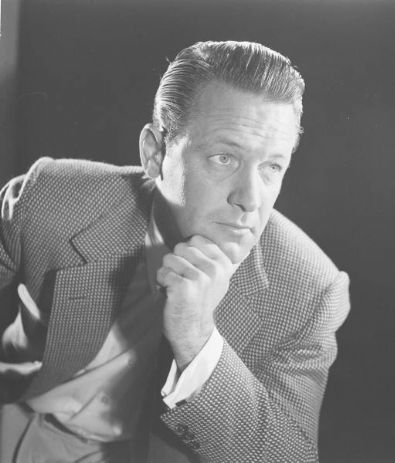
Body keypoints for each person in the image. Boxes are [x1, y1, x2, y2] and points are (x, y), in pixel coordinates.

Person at [0, 41, 350, 462]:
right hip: (17, 415)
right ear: (155, 154)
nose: (250, 199)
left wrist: (197, 337)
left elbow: (288, 457)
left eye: (271, 167)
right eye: (224, 158)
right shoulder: (52, 198)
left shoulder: (309, 289)